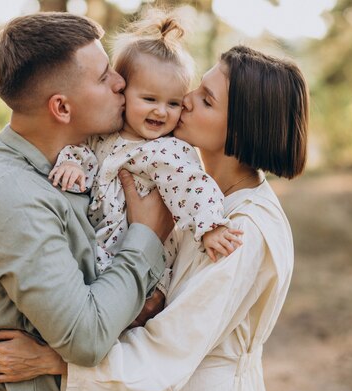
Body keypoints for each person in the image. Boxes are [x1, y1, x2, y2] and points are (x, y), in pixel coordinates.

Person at [0, 44, 309, 391]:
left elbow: (173, 345)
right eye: (197, 88)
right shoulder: (184, 191)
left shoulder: (242, 230)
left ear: (241, 129)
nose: (187, 100)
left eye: (207, 100)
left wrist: (54, 362)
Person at [0, 12, 175, 391]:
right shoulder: (11, 195)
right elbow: (85, 337)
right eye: (104, 77)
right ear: (61, 108)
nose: (121, 82)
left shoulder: (82, 159)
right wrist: (147, 237)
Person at [48, 10, 241, 291]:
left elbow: (193, 185)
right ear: (122, 91)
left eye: (173, 103)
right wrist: (70, 164)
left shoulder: (168, 150)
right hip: (99, 250)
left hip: (144, 268)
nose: (160, 111)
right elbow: (80, 149)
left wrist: (211, 226)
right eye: (149, 99)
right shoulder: (103, 134)